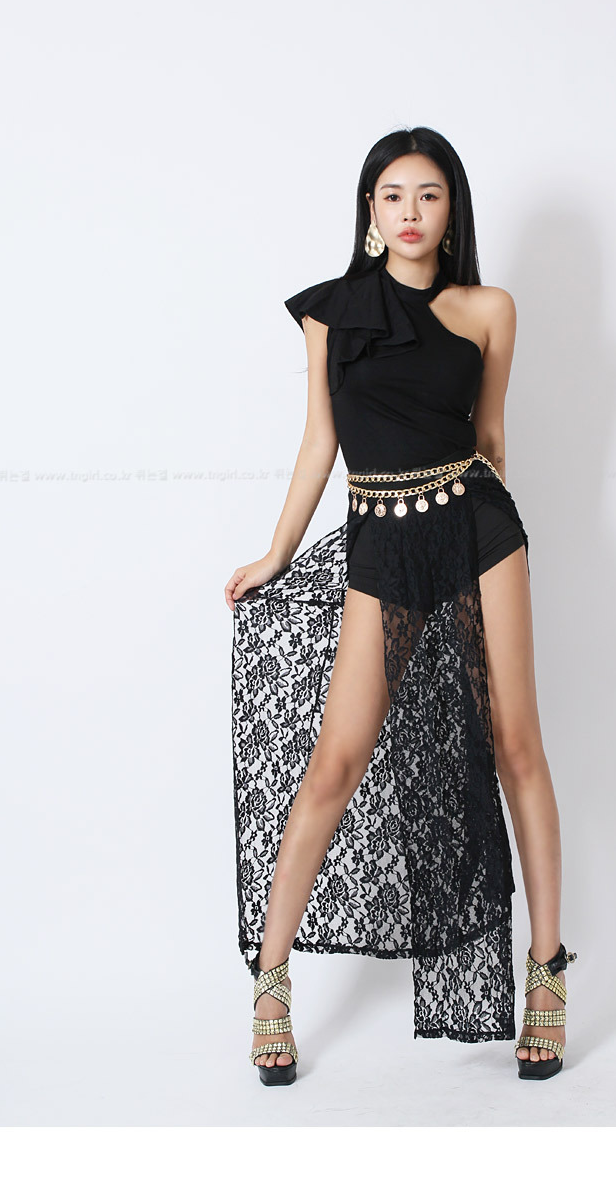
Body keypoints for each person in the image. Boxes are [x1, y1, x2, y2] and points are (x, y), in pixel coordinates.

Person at [225, 126, 576, 1086]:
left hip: (478, 532)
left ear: (451, 209)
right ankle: (270, 983)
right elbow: (319, 445)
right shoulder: (331, 315)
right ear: (370, 211)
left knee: (517, 745)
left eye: (428, 193)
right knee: (335, 761)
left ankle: (546, 971)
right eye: (392, 195)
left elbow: (491, 438)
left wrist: (480, 547)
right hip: (381, 542)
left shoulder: (490, 309)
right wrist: (277, 553)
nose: (410, 211)